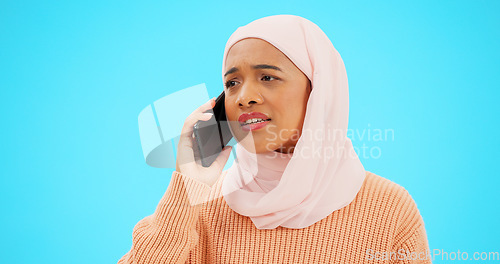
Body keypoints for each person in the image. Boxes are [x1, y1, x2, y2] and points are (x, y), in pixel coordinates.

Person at [118, 14, 431, 263]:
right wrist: (188, 188)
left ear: (318, 92)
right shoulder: (198, 209)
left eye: (267, 77)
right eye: (232, 83)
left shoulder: (389, 209)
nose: (244, 97)